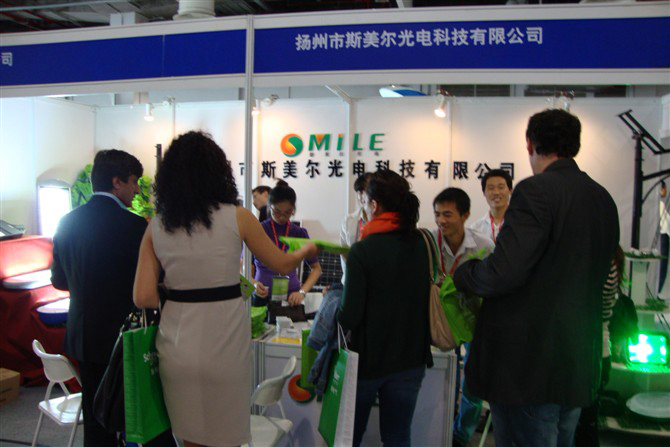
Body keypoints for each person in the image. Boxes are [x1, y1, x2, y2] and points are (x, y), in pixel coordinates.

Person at [133, 131, 317, 447]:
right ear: (219, 172)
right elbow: (282, 263)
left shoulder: (156, 226)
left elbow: (143, 296)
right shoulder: (239, 217)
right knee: (226, 434)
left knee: (189, 435)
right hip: (225, 342)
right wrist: (306, 251)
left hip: (176, 343)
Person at [454, 109, 619, 447]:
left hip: (528, 366)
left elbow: (503, 271)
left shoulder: (536, 191)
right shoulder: (602, 197)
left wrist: (464, 273)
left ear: (529, 143)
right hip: (576, 362)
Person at [51, 150, 148, 446]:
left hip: (82, 336)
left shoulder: (66, 222)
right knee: (131, 413)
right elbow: (146, 286)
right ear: (117, 182)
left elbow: (59, 281)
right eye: (134, 182)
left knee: (95, 414)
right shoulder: (135, 227)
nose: (137, 190)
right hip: (123, 338)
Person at [338, 170, 433, 447]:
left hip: (368, 361)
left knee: (349, 437)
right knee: (398, 436)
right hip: (411, 358)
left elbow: (350, 315)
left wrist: (333, 311)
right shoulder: (422, 243)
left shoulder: (362, 250)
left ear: (374, 205)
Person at [431, 187, 494, 447]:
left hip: (472, 319)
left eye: (448, 214)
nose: (441, 220)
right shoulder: (429, 242)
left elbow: (492, 284)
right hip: (439, 320)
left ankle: (461, 435)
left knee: (472, 381)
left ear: (465, 215)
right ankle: (435, 431)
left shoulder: (484, 246)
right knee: (439, 377)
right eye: (437, 214)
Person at [574, 246, 624, 447]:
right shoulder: (609, 257)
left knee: (581, 427)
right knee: (584, 425)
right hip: (597, 352)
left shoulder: (602, 260)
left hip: (589, 353)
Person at [251, 182, 322, 321]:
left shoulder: (299, 233)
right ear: (269, 207)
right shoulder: (258, 230)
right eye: (277, 212)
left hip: (291, 299)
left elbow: (316, 269)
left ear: (293, 209)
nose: (282, 217)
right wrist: (253, 284)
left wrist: (302, 292)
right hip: (261, 297)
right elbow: (245, 266)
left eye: (288, 212)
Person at [339, 172, 374, 284]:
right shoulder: (348, 220)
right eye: (358, 192)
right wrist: (351, 280)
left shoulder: (383, 221)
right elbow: (344, 254)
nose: (360, 197)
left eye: (364, 191)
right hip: (352, 280)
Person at [470, 169, 513, 243]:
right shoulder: (476, 228)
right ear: (484, 193)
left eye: (501, 187)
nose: (496, 192)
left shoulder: (521, 224)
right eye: (491, 188)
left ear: (510, 191)